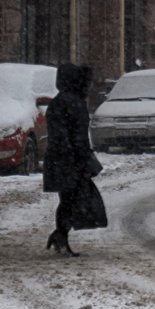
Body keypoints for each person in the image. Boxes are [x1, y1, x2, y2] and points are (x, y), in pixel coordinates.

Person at [43, 64, 104, 256]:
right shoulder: (75, 104)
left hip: (57, 159)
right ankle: (61, 236)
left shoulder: (57, 102)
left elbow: (60, 135)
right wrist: (84, 161)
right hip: (70, 160)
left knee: (67, 199)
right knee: (71, 201)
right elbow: (79, 138)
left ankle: (60, 235)